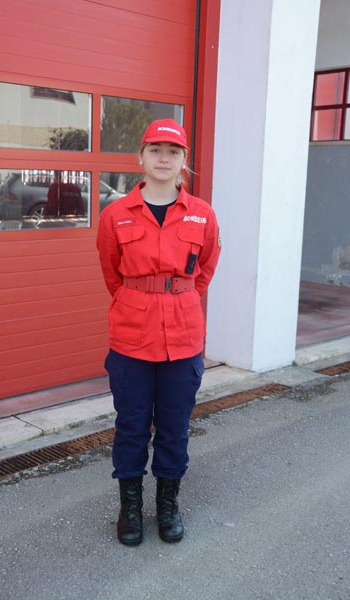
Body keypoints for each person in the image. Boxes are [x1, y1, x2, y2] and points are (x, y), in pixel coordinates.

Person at [96, 118, 221, 546]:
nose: (163, 158)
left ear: (184, 160)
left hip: (183, 339)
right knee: (131, 426)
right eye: (155, 150)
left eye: (173, 152)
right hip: (131, 338)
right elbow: (112, 274)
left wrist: (177, 298)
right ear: (141, 157)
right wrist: (144, 298)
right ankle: (130, 507)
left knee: (174, 427)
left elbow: (205, 270)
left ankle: (167, 504)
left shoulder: (203, 214)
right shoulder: (115, 215)